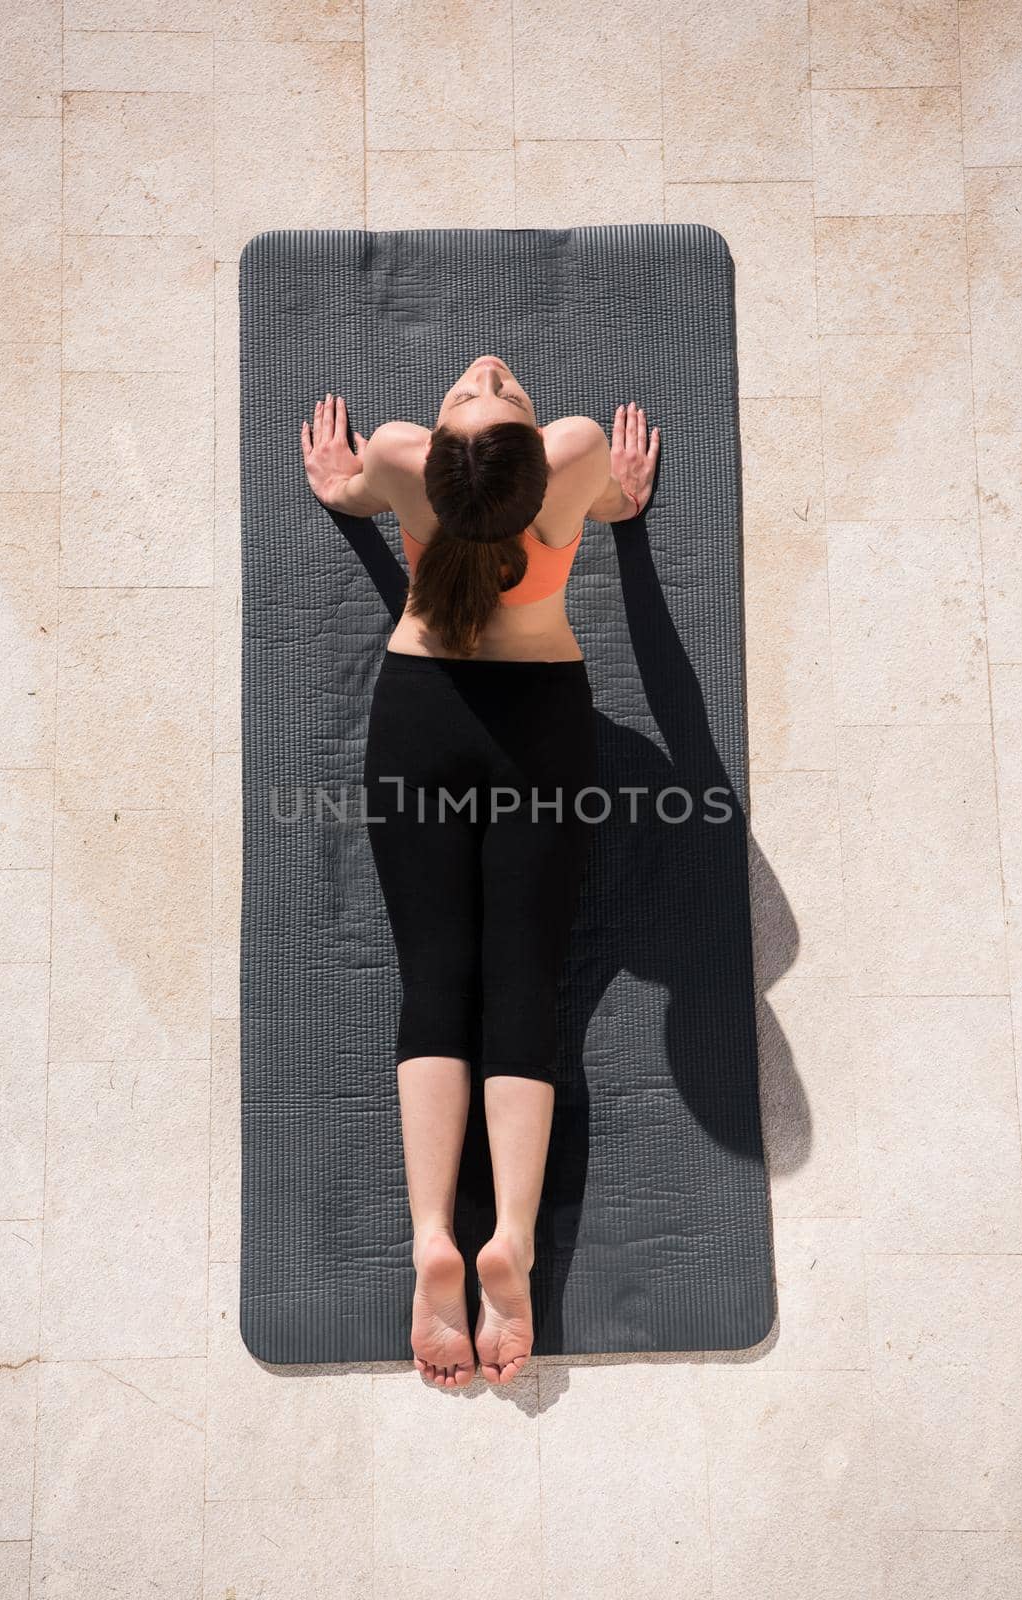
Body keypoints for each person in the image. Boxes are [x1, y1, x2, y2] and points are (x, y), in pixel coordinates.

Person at [301, 357, 659, 1388]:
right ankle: (510, 1234)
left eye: (475, 392)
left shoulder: (404, 456)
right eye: (488, 392)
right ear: (532, 462)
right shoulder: (575, 454)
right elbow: (619, 498)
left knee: (434, 981)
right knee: (525, 983)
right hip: (542, 725)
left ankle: (432, 1240)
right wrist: (624, 499)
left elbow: (351, 488)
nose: (487, 366)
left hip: (421, 715)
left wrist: (340, 485)